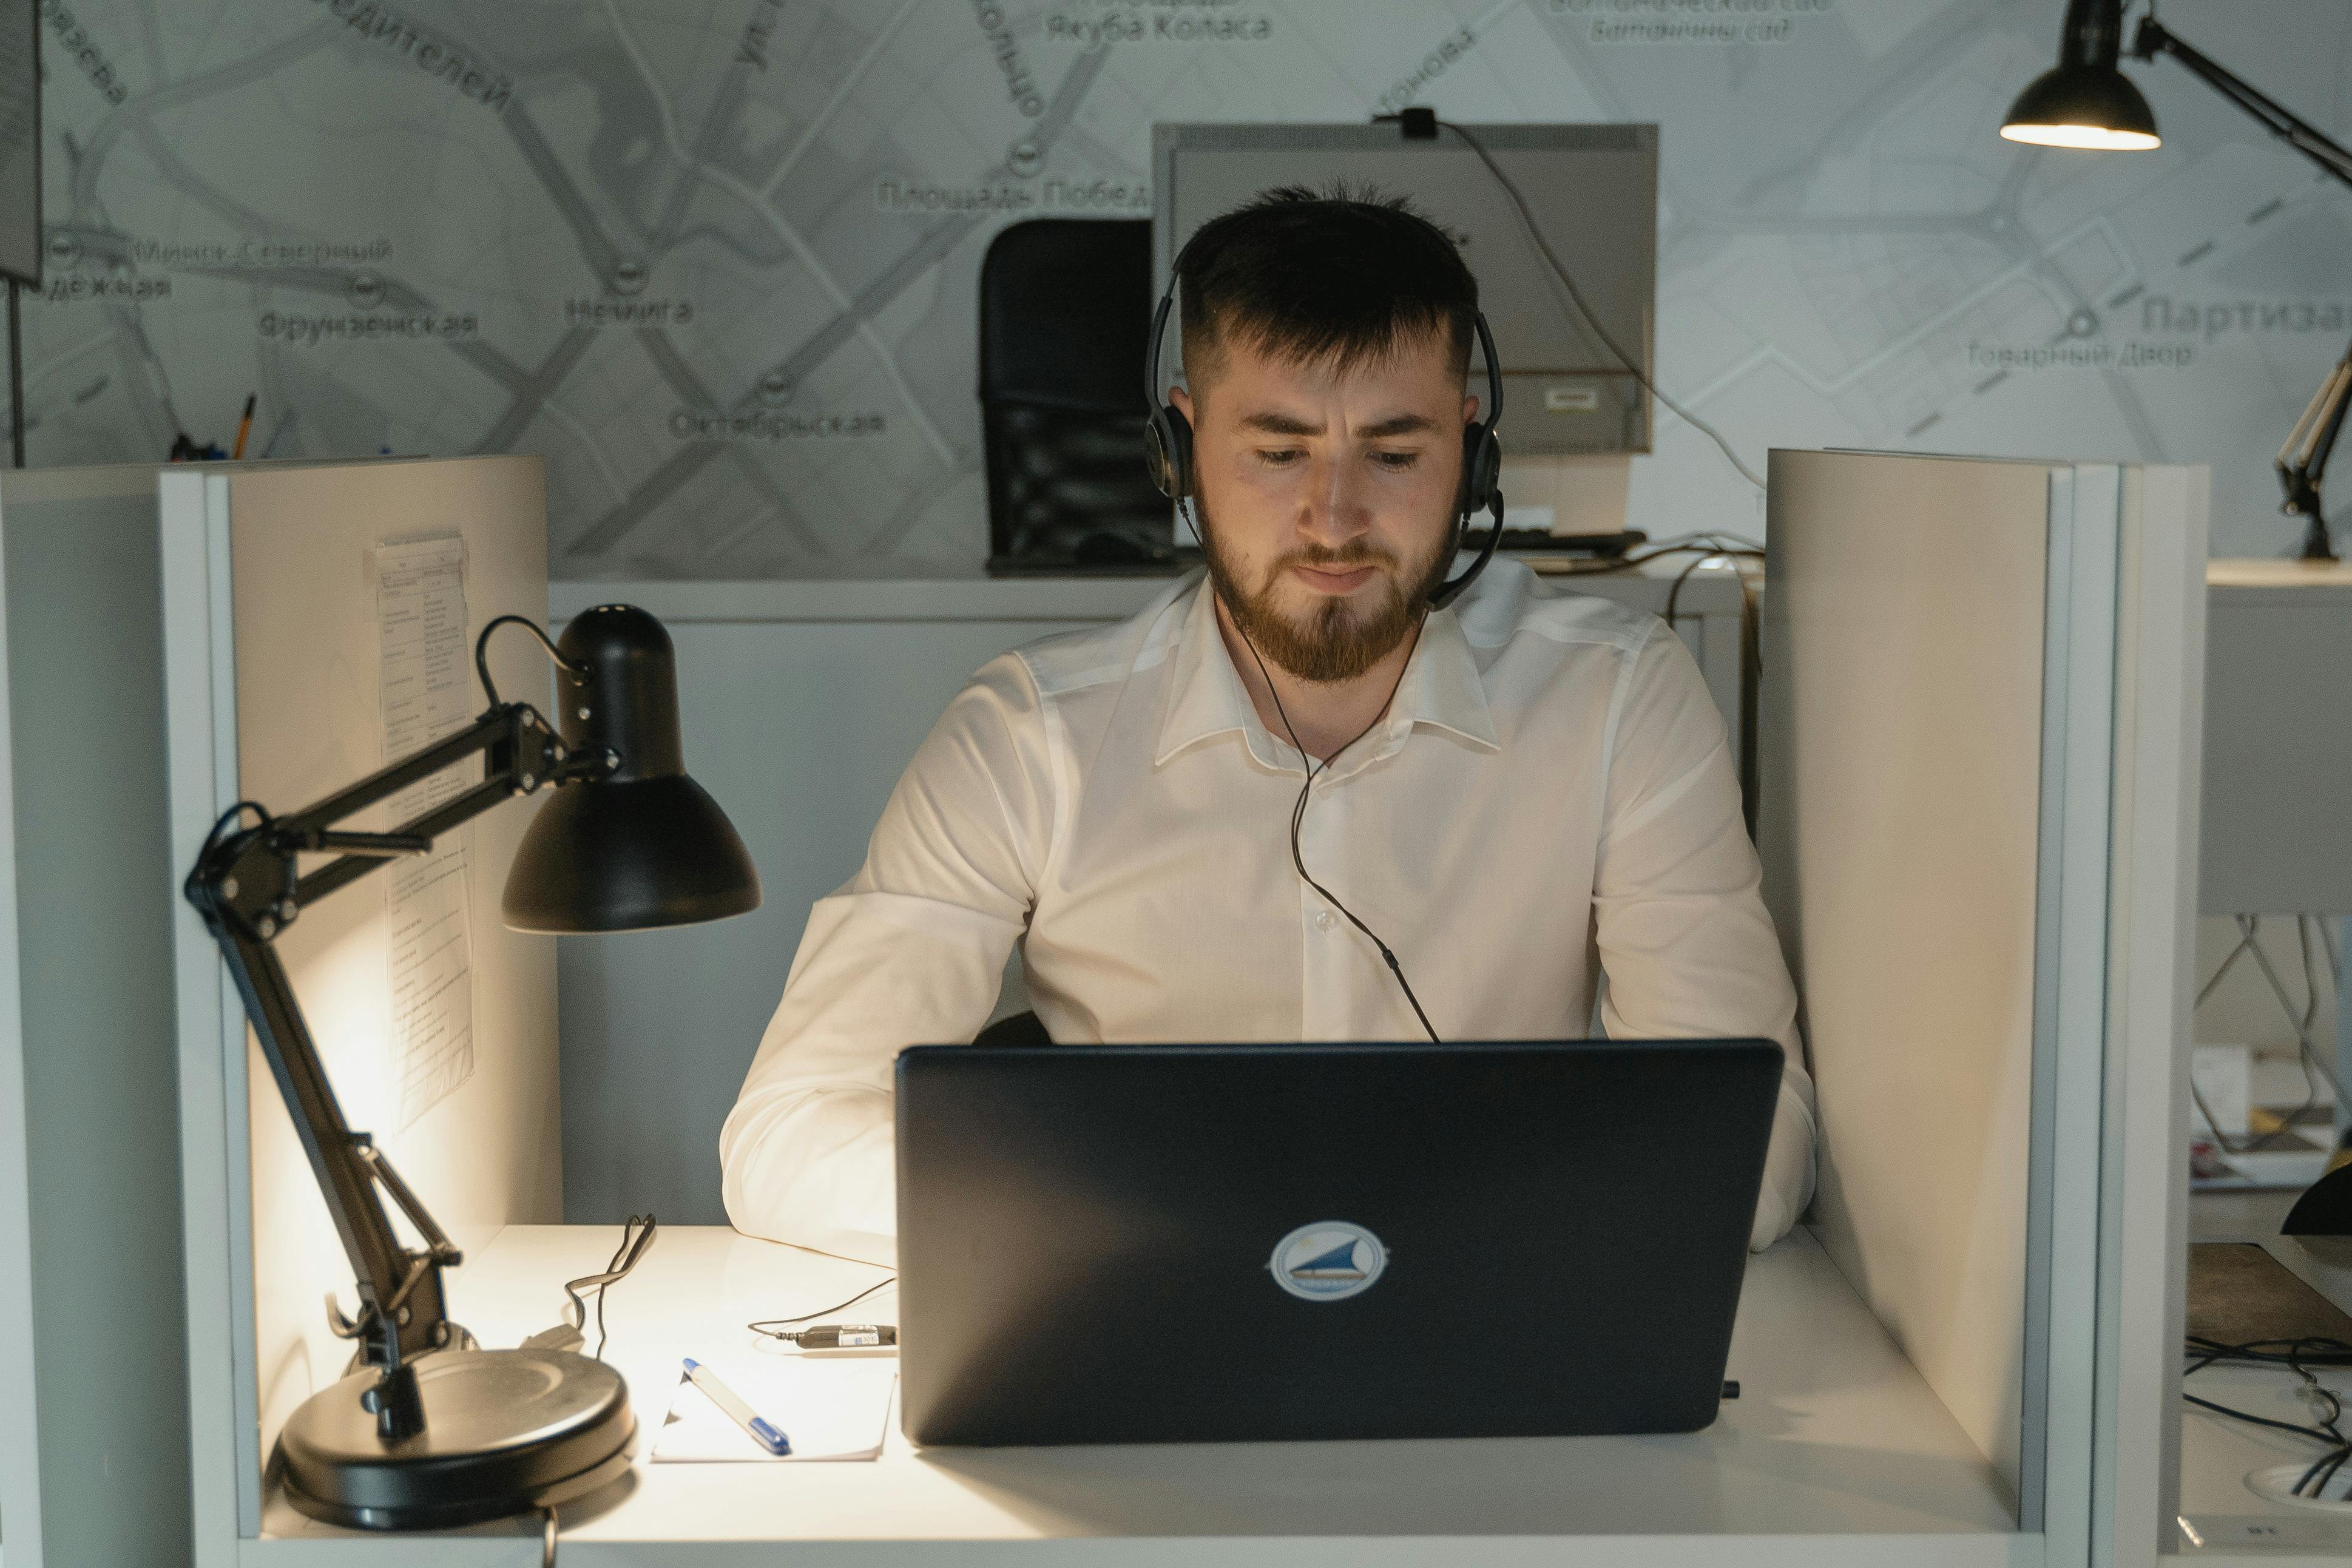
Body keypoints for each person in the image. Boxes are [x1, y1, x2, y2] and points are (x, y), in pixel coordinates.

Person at [721, 186, 1815, 1266]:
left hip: (1480, 1347)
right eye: (1278, 451)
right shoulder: (1029, 736)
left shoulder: (1617, 698)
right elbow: (786, 1134)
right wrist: (1134, 1222)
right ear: (1180, 448)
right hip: (1137, 1322)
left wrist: (1422, 1238)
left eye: (1394, 455)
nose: (1335, 520)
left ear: (1473, 456)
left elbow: (1755, 1144)